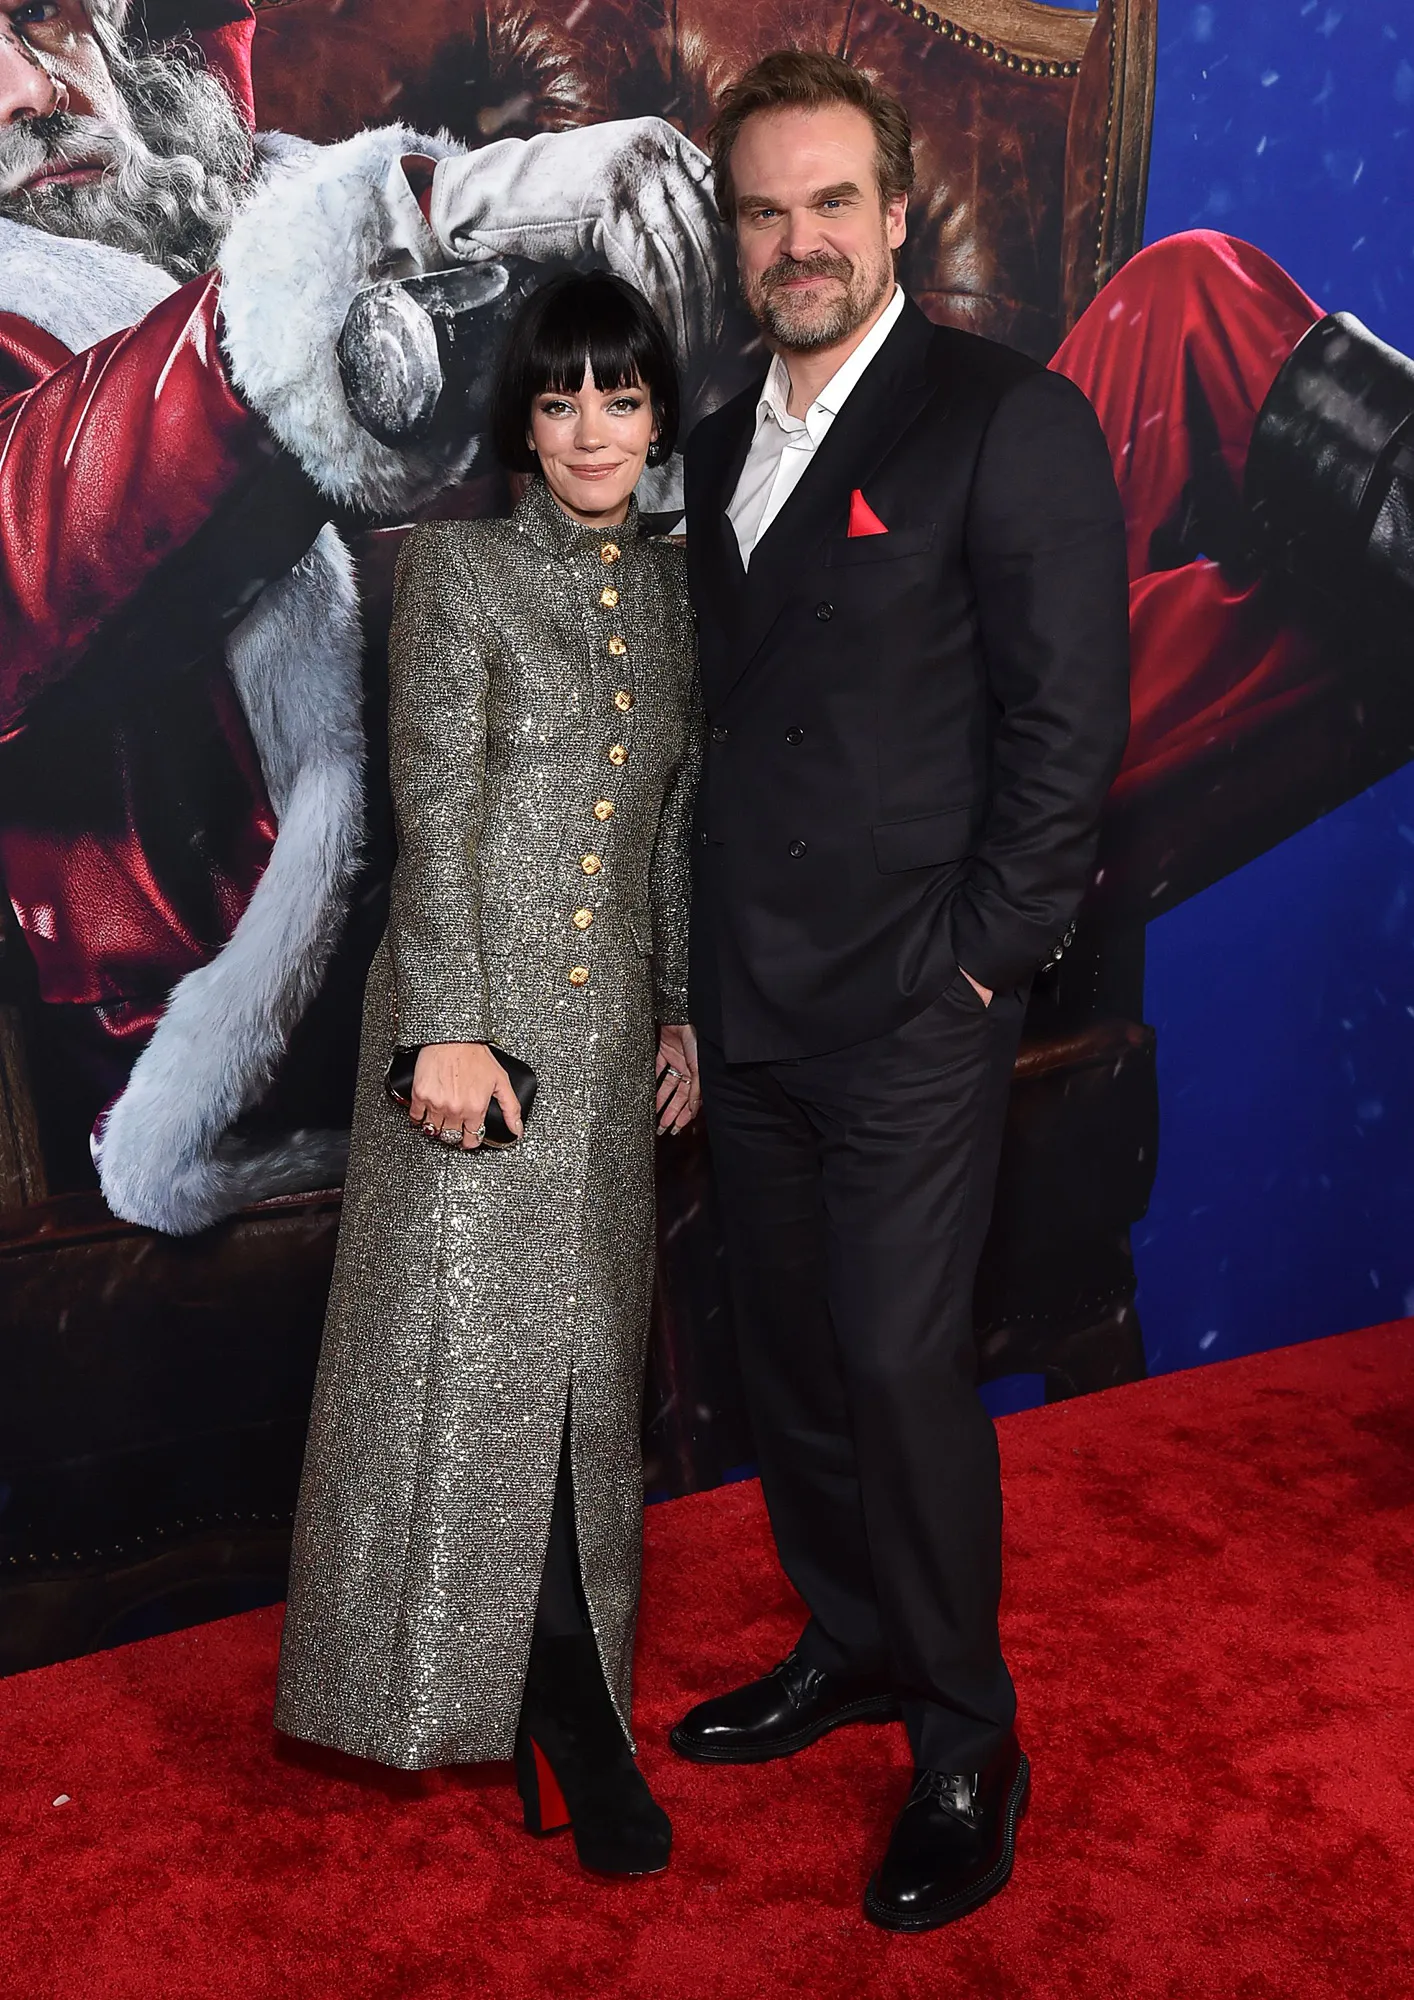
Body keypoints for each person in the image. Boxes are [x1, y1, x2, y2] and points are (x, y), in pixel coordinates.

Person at [0, 0, 726, 1231]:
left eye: (41, 17)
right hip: (274, 1025)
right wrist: (394, 223)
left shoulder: (279, 193)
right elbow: (42, 529)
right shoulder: (316, 236)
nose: (30, 91)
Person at [669, 52, 1130, 1931]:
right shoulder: (708, 444)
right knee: (782, 1357)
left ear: (893, 212)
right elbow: (703, 745)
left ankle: (961, 1738)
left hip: (912, 1003)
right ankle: (848, 1640)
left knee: (890, 1360)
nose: (798, 241)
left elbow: (1064, 733)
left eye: (829, 204)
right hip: (744, 1003)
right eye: (764, 211)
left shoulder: (1003, 419)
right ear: (736, 235)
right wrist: (683, 990)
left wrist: (979, 963)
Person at [273, 270, 702, 1882]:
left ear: (656, 418)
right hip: (473, 1039)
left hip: (610, 1048)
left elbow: (668, 824)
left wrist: (678, 1014)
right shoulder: (455, 572)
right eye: (559, 398)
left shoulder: (677, 593)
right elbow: (433, 806)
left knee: (589, 1377)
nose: (591, 429)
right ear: (520, 423)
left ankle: (571, 1691)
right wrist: (445, 1026)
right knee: (465, 1377)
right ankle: (560, 1708)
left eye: (620, 398)